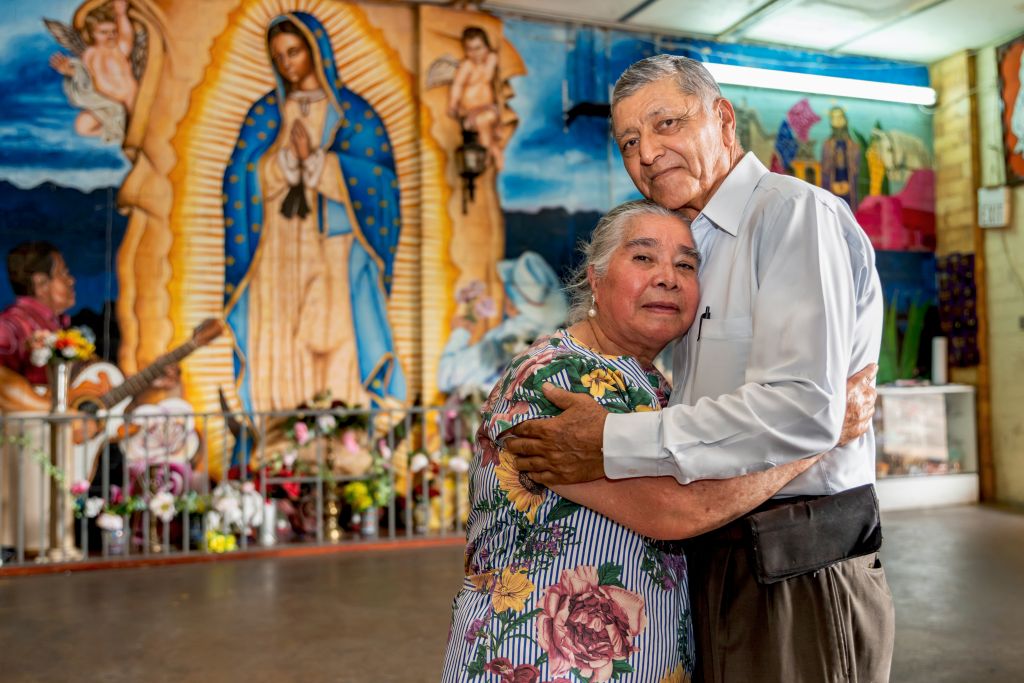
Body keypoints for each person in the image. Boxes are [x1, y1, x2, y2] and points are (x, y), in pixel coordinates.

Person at [508, 55, 892, 683]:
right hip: (712, 557)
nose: (647, 153)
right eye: (628, 141)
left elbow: (801, 409)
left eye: (667, 124)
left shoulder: (791, 215)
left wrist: (609, 440)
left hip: (797, 563)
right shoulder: (695, 247)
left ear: (723, 119)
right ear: (595, 278)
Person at [441, 200, 871, 682]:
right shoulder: (552, 377)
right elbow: (676, 511)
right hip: (535, 662)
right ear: (596, 279)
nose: (667, 277)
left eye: (685, 265)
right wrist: (821, 433)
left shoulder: (657, 388)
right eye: (643, 257)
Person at [222, 12, 405, 414]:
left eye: (294, 52)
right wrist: (283, 163)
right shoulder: (265, 113)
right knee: (279, 336)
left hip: (334, 247)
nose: (287, 63)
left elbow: (381, 183)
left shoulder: (353, 113)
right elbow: (239, 176)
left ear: (315, 51)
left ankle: (344, 427)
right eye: (278, 57)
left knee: (336, 337)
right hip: (276, 248)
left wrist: (319, 163)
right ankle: (277, 429)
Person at [437, 251, 568, 397]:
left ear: (512, 303)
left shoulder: (509, 339)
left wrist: (460, 334)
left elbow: (446, 377)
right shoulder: (554, 338)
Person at [49, 0, 137, 140]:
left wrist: (121, 15)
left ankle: (126, 131)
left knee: (137, 125)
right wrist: (69, 71)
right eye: (104, 32)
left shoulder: (119, 49)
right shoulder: (89, 54)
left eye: (114, 31)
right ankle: (117, 132)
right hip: (105, 105)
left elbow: (126, 35)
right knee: (81, 127)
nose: (110, 35)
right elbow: (85, 77)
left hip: (128, 100)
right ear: (92, 33)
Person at [0, 242, 75, 403]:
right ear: (41, 284)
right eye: (63, 273)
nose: (71, 280)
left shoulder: (57, 324)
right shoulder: (11, 325)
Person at [448, 26, 503, 171]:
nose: (474, 53)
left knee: (483, 121)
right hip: (470, 112)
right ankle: (494, 154)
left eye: (478, 48)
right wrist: (453, 104)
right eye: (469, 49)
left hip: (488, 109)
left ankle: (485, 157)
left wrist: (490, 59)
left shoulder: (491, 59)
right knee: (485, 132)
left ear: (487, 47)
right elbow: (457, 85)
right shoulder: (467, 65)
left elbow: (491, 76)